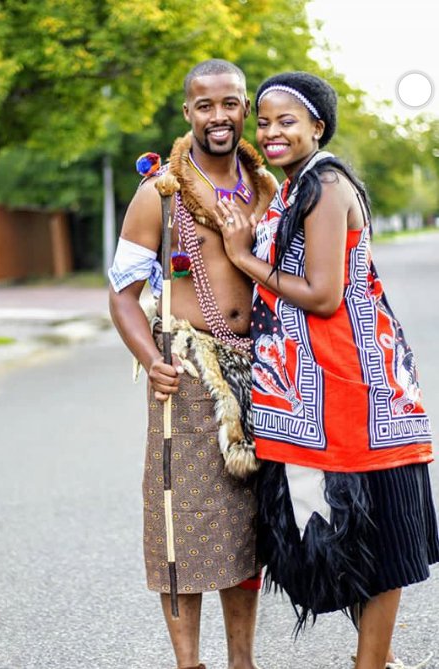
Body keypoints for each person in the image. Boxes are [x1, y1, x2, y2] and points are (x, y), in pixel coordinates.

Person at [213, 70, 439, 669]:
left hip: (352, 385)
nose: (271, 132)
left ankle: (373, 664)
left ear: (318, 125)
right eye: (263, 122)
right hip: (309, 389)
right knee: (344, 535)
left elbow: (322, 294)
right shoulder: (293, 188)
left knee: (383, 538)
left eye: (287, 121)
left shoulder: (326, 187)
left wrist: (243, 258)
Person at [108, 59, 277, 669]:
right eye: (205, 105)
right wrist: (151, 359)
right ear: (188, 113)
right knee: (181, 521)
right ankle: (189, 665)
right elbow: (122, 293)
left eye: (230, 103)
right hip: (189, 371)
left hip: (261, 373)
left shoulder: (267, 189)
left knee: (247, 528)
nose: (219, 116)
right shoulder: (161, 192)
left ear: (245, 107)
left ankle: (242, 662)